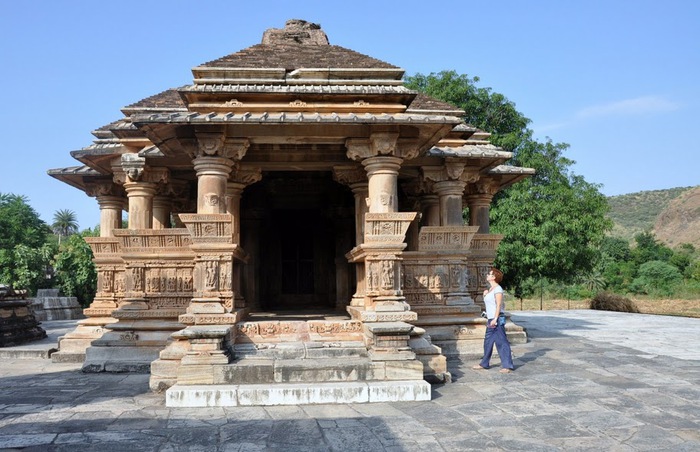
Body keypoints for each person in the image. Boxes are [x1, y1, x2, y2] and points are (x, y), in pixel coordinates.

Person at [472, 267, 515, 373]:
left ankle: (507, 365)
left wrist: (495, 319)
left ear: (494, 277)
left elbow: (499, 305)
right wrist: (485, 296)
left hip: (497, 318)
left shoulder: (498, 289)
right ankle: (484, 363)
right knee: (488, 341)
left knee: (501, 341)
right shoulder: (489, 290)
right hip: (491, 318)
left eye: (489, 274)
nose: (487, 275)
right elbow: (490, 305)